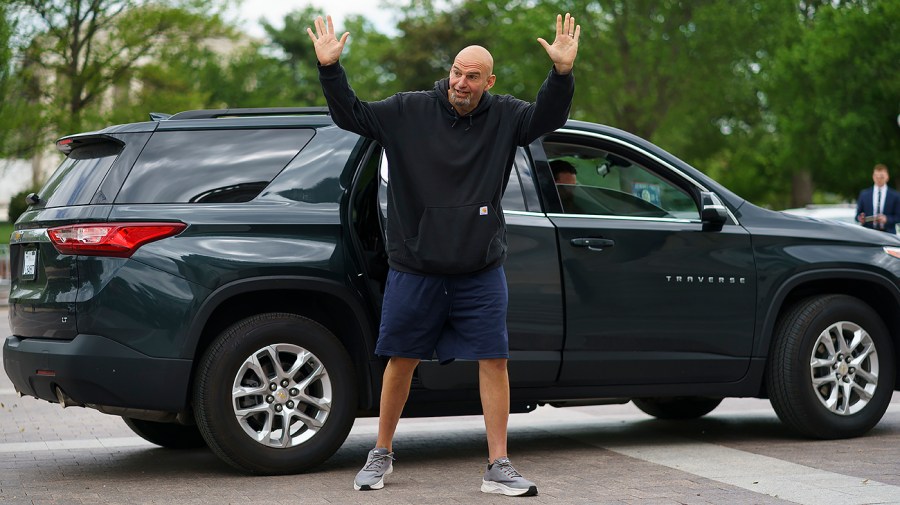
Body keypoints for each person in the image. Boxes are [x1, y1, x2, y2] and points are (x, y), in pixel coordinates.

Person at [307, 12, 580, 497]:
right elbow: (352, 114)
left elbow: (548, 117)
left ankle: (498, 465)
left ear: (488, 81)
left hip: (479, 268)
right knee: (401, 360)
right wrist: (331, 69)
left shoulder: (505, 116)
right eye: (457, 71)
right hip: (416, 268)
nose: (461, 82)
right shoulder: (409, 110)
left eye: (473, 76)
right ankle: (382, 453)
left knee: (494, 361)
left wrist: (560, 75)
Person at [856, 164, 900, 234]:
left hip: (889, 235)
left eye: (882, 176)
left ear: (887, 177)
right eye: (876, 176)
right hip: (868, 234)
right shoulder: (864, 194)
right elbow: (857, 216)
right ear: (873, 177)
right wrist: (860, 218)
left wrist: (887, 219)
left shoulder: (895, 195)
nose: (879, 179)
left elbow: (898, 217)